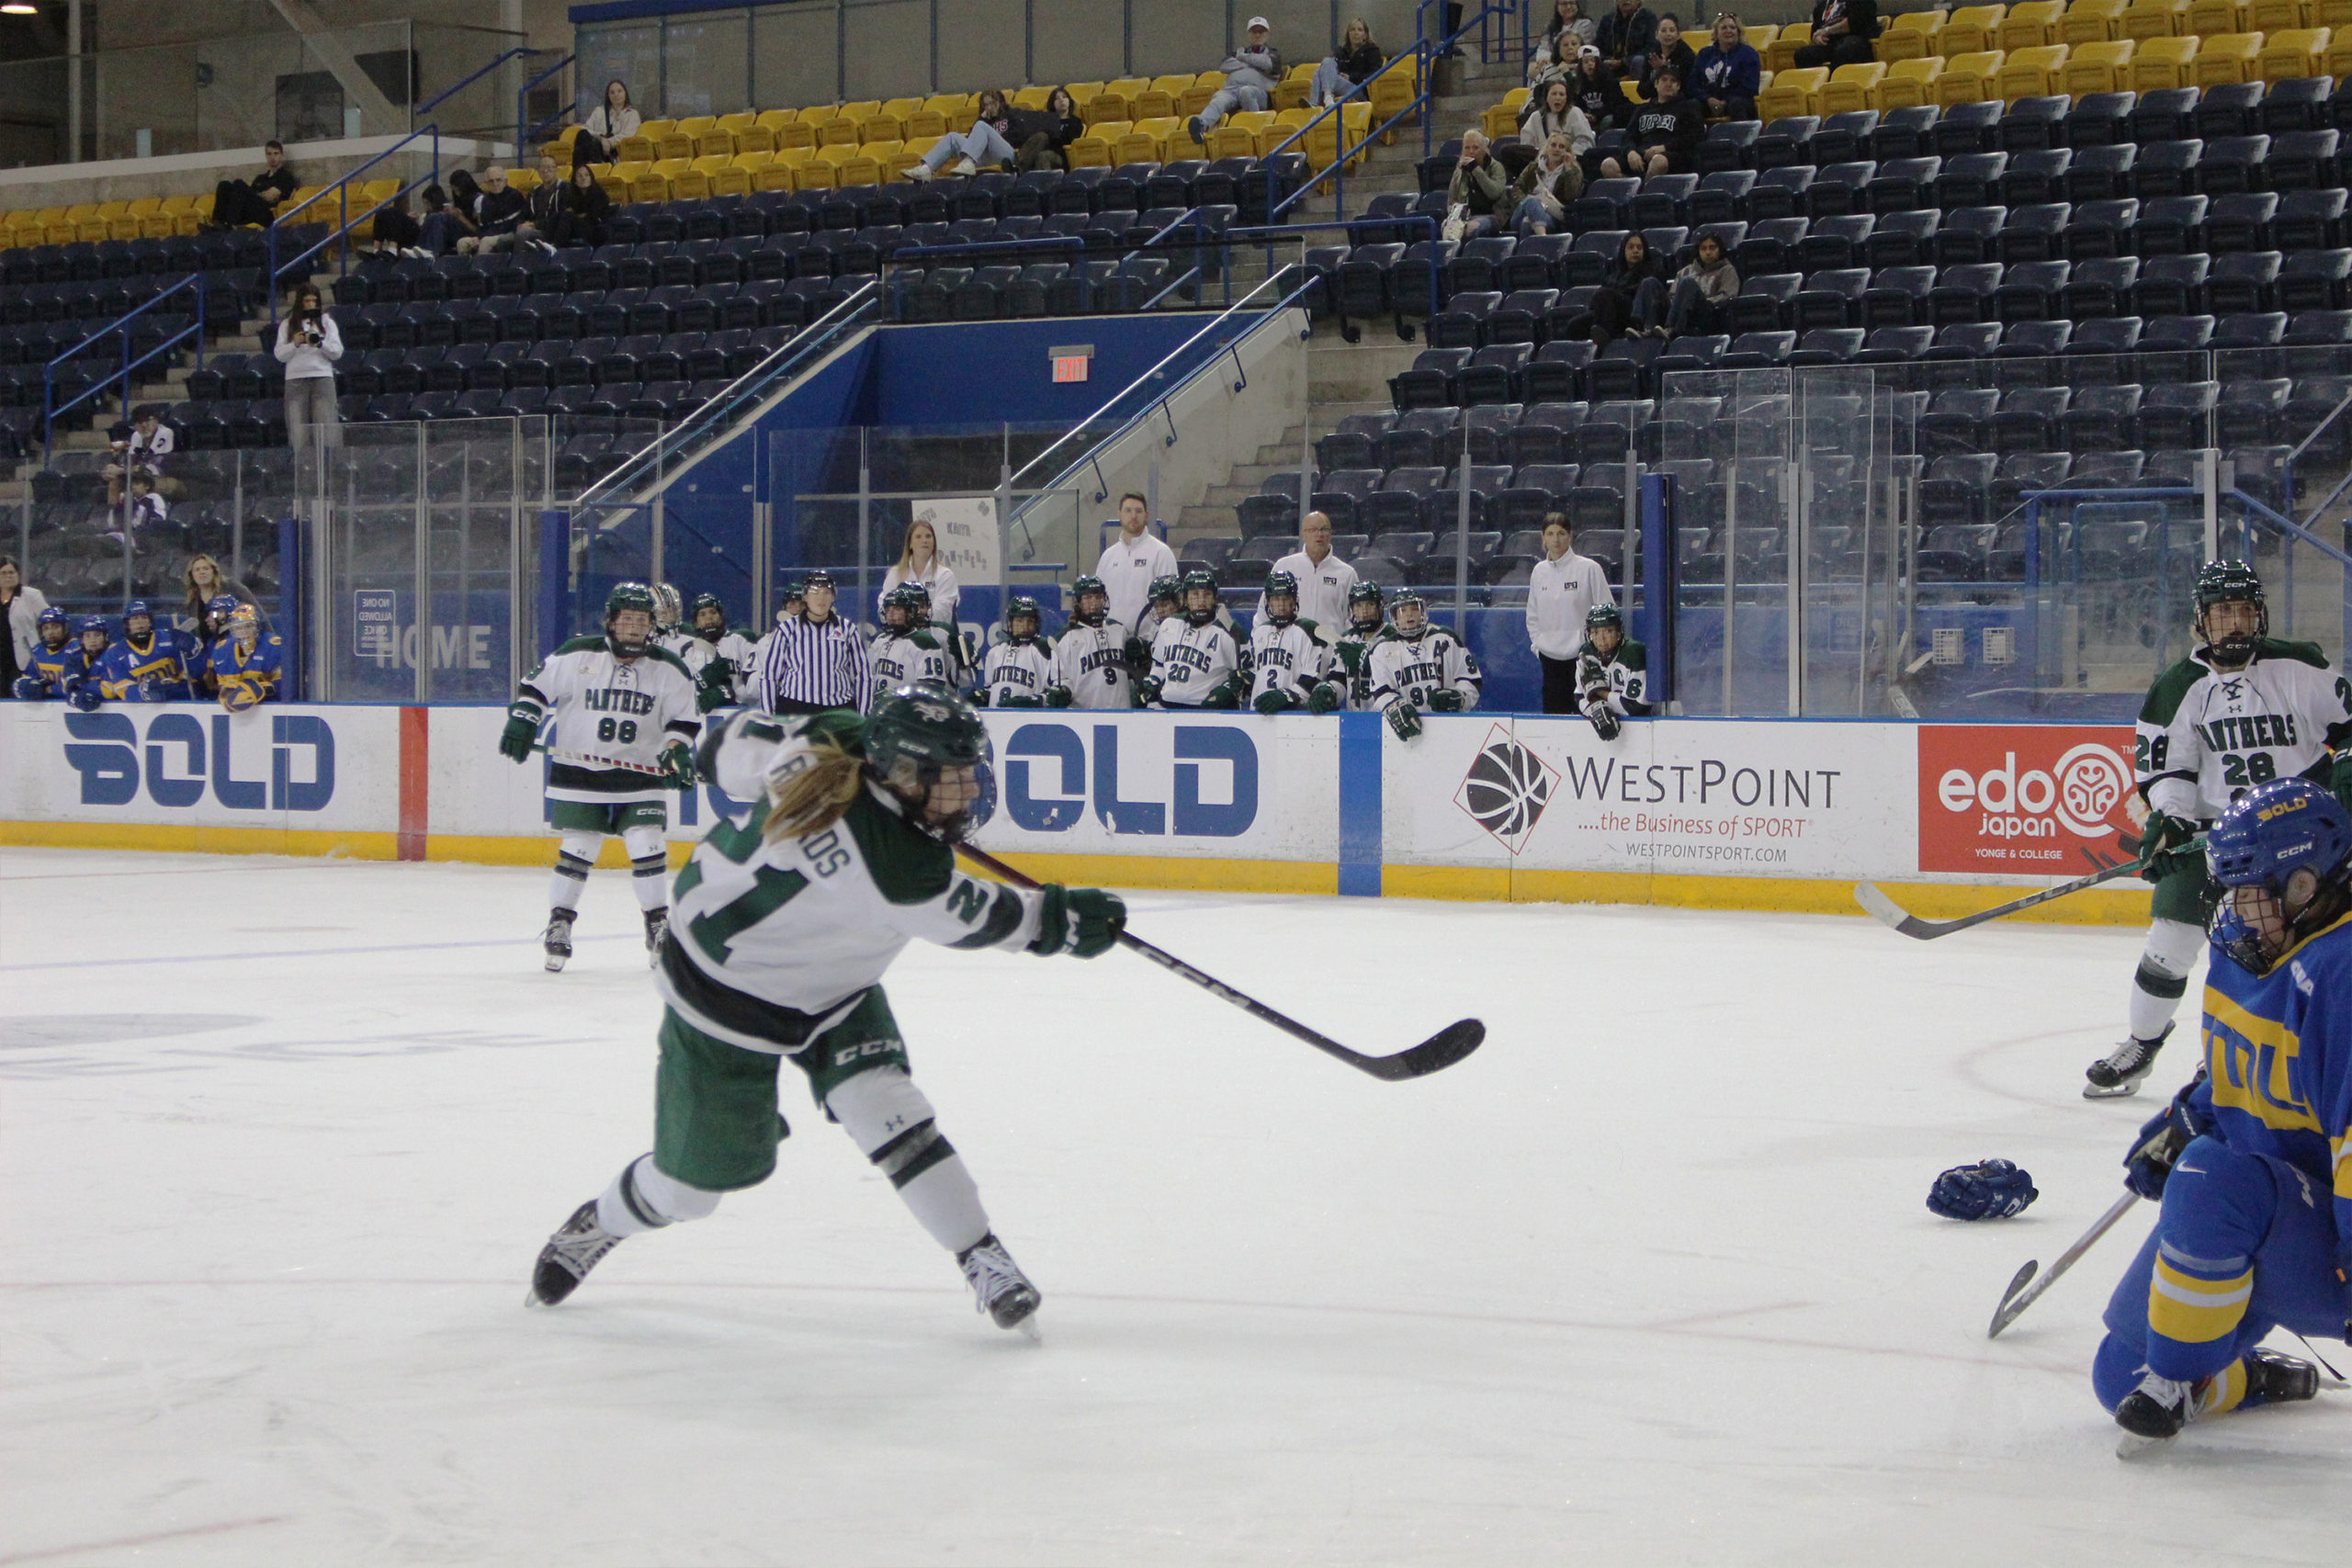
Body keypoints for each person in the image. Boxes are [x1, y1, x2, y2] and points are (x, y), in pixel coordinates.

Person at [522, 686, 1128, 1337]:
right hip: (722, 1004)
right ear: (901, 773)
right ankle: (600, 1221)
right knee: (688, 1192)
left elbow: (727, 746)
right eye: (950, 779)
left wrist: (712, 750)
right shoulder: (897, 873)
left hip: (832, 988)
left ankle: (981, 1253)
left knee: (889, 1108)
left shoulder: (833, 735)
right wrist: (1064, 921)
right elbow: (1001, 920)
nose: (968, 793)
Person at [2089, 776, 2351, 1450]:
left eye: (2249, 889)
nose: (2233, 908)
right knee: (2119, 1375)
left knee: (2211, 1176)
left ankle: (2176, 1383)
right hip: (2271, 1210)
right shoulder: (2254, 951)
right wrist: (2188, 1117)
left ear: (2304, 885)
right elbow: (2246, 1069)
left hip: (2327, 1237)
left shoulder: (2343, 973)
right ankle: (2253, 1378)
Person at [2086, 560, 2352, 1098]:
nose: (2234, 622)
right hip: (2222, 835)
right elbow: (2166, 770)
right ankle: (2142, 1044)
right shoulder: (2177, 687)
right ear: (2201, 621)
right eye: (2222, 611)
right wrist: (2171, 818)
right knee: (2171, 939)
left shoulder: (2298, 664)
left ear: (2260, 616)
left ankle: (2239, 1053)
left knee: (2280, 944)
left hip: (2300, 837)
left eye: (2244, 611)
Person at [497, 582, 701, 973]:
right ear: (610, 621)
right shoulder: (578, 654)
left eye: (641, 621)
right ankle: (560, 923)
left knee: (647, 842)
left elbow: (684, 720)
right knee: (579, 847)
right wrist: (524, 719)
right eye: (626, 620)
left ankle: (656, 924)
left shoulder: (669, 669)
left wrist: (675, 749)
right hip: (580, 773)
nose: (633, 628)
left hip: (639, 775)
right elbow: (534, 689)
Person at [1526, 513, 1615, 714]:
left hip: (1584, 658)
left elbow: (1607, 610)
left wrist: (1594, 650)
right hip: (1549, 660)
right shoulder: (1539, 572)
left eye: (1561, 533)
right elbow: (1532, 615)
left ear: (1570, 536)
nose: (1555, 539)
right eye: (1550, 534)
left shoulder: (1589, 569)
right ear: (1543, 537)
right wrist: (1539, 647)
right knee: (1555, 718)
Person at [755, 569, 873, 716]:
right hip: (795, 710)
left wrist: (863, 717)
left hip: (837, 711)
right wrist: (769, 718)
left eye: (826, 593)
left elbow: (863, 676)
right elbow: (769, 676)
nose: (821, 598)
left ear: (833, 597)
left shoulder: (847, 629)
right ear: (805, 596)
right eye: (815, 592)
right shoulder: (787, 630)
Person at [1368, 590, 1481, 740]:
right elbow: (1381, 692)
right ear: (1394, 616)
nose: (1409, 615)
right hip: (1408, 729)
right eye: (1403, 611)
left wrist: (1459, 697)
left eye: (1414, 609)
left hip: (1449, 727)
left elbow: (1472, 681)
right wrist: (1394, 707)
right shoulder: (1382, 649)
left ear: (1423, 612)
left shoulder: (1445, 638)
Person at [1143, 570, 1244, 710]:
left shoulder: (1229, 631)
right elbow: (1159, 664)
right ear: (1185, 599)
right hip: (1166, 708)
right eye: (1195, 596)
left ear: (1215, 598)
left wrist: (1228, 689)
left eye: (1207, 595)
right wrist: (1154, 679)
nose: (1201, 602)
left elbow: (1246, 673)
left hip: (1205, 711)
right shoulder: (1169, 625)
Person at [1247, 572, 1340, 715]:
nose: (1281, 605)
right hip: (1259, 712)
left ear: (1294, 600)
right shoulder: (1259, 631)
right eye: (1276, 599)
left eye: (1286, 598)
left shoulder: (1309, 630)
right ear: (1268, 602)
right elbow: (1254, 672)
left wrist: (1288, 695)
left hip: (1295, 714)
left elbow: (1314, 677)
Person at [275, 283, 344, 472]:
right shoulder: (288, 324)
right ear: (300, 302)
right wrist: (294, 344)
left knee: (326, 426)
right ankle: (303, 470)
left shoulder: (327, 322)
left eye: (314, 301)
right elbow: (279, 355)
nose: (311, 304)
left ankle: (328, 470)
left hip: (321, 376)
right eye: (306, 301)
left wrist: (320, 343)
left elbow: (337, 352)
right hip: (296, 379)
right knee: (298, 430)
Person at [1189, 17, 1285, 145]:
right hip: (1232, 91)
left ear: (1267, 35)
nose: (1257, 35)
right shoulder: (1238, 53)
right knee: (1219, 98)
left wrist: (1243, 58)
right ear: (1248, 35)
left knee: (1246, 92)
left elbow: (1267, 64)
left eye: (1261, 32)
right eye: (1254, 32)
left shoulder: (1273, 54)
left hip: (1259, 94)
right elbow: (1224, 66)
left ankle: (1254, 134)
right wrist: (1250, 62)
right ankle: (1201, 125)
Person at [1259, 511, 1361, 630]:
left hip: (1330, 647)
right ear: (1303, 534)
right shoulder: (1284, 566)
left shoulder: (1347, 574)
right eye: (1313, 530)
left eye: (1324, 529)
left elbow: (1354, 617)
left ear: (1331, 534)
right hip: (1291, 647)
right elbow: (1264, 609)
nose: (1319, 534)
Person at [1093, 492, 1180, 631]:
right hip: (1111, 642)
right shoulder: (1108, 556)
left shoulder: (1161, 553)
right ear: (1119, 514)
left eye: (1138, 511)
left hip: (1149, 642)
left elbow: (1171, 603)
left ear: (1147, 515)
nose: (1133, 516)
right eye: (1128, 510)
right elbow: (1097, 599)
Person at [1048, 575, 1136, 709]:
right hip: (1086, 715)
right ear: (1078, 603)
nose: (1094, 602)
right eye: (1088, 598)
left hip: (1122, 712)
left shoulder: (1120, 630)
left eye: (1098, 597)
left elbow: (1133, 672)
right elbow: (1062, 680)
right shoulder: (1066, 638)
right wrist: (1063, 691)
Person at [879, 518, 962, 656]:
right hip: (898, 642)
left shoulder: (945, 575)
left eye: (928, 536)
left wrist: (906, 618)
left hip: (935, 642)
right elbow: (884, 605)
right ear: (910, 543)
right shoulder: (894, 574)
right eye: (918, 536)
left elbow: (942, 613)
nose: (924, 540)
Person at [1606, 66, 1702, 177]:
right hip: (1642, 154)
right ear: (1656, 84)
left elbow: (1693, 136)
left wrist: (1665, 147)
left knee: (1658, 161)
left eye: (1673, 81)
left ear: (1679, 86)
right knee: (1608, 165)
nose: (1668, 84)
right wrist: (1630, 152)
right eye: (1664, 79)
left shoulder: (1688, 107)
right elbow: (1628, 136)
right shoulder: (1642, 109)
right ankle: (1634, 189)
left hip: (1673, 155)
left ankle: (1645, 191)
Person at [94, 599, 197, 702]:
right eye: (134, 618)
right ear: (127, 624)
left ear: (150, 622)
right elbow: (123, 689)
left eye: (144, 618)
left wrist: (191, 652)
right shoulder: (115, 653)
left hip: (180, 701)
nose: (140, 622)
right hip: (143, 710)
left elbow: (194, 674)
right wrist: (144, 692)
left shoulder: (169, 638)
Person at [1576, 604, 1650, 739]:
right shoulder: (1586, 654)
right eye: (1595, 632)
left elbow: (1636, 706)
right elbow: (1579, 696)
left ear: (1618, 632)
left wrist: (1598, 693)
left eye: (1608, 631)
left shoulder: (1634, 653)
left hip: (1642, 730)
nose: (1601, 639)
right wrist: (1595, 711)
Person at [910, 89, 1022, 179]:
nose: (989, 108)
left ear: (1000, 102)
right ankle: (926, 168)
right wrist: (982, 118)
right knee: (952, 136)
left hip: (1007, 154)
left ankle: (968, 163)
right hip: (985, 156)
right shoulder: (983, 120)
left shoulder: (1011, 114)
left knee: (981, 126)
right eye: (986, 105)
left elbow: (1018, 136)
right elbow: (971, 140)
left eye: (992, 103)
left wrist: (990, 136)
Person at [648, 581, 725, 711]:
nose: (670, 615)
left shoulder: (691, 639)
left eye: (672, 609)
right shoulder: (641, 643)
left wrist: (716, 691)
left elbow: (721, 684)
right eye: (664, 611)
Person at [870, 583, 954, 702]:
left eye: (897, 609)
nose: (891, 614)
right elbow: (867, 678)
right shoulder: (879, 641)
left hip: (907, 714)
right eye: (888, 610)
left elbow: (931, 689)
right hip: (881, 712)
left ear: (910, 612)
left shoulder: (923, 642)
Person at [1585, 231, 1669, 344]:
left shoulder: (1654, 270)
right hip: (1614, 312)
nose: (1636, 250)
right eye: (1631, 247)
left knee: (1605, 294)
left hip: (1636, 312)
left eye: (1639, 247)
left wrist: (1620, 293)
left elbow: (1651, 293)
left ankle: (1608, 338)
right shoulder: (1613, 276)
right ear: (1623, 251)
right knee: (1575, 325)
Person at [976, 596, 1057, 706]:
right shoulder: (995, 651)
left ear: (1036, 623)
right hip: (995, 719)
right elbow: (990, 688)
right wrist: (981, 695)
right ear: (1010, 622)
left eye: (1030, 621)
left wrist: (1034, 701)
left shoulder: (1044, 649)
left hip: (1030, 719)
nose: (1025, 627)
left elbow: (1056, 694)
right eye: (1019, 621)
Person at [1511, 130, 1589, 236]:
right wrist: (1527, 204)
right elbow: (1517, 188)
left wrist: (1568, 169)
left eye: (1561, 147)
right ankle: (1544, 239)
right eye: (1553, 145)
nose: (1557, 149)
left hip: (1552, 216)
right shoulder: (1534, 167)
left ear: (1567, 151)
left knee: (1527, 222)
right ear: (1547, 148)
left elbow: (1571, 196)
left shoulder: (1573, 170)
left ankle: (1528, 249)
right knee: (1532, 201)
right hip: (1523, 210)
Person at [690, 592, 759, 707]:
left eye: (713, 612)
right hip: (704, 716)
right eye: (702, 614)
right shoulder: (689, 650)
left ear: (721, 616)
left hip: (741, 711)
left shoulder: (738, 641)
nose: (709, 618)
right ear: (696, 622)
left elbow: (757, 683)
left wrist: (732, 693)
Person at [210, 604, 283, 710]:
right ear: (232, 630)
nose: (243, 631)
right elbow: (222, 688)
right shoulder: (222, 650)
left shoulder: (274, 646)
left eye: (248, 626)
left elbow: (282, 687)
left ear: (257, 626)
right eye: (238, 627)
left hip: (268, 708)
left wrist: (263, 689)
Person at [1442, 129, 1510, 243]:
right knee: (1446, 228)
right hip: (1465, 217)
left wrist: (1476, 170)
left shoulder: (1496, 167)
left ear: (1484, 149)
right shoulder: (1459, 171)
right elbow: (1451, 200)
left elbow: (1494, 193)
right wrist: (1455, 219)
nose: (1471, 151)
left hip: (1492, 215)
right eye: (1467, 148)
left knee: (1472, 228)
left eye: (1475, 148)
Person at [1667, 231, 1739, 334]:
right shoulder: (1684, 271)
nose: (1708, 252)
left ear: (1720, 250)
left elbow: (1728, 296)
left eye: (1712, 248)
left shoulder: (1727, 270)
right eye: (1703, 249)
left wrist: (1699, 301)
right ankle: (1646, 329)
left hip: (1710, 314)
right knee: (1650, 282)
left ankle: (1672, 330)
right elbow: (1672, 296)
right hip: (1681, 312)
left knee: (1688, 282)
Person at [1330, 581, 1389, 710]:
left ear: (1380, 607)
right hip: (1354, 718)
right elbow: (1338, 679)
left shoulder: (1393, 637)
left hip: (1387, 717)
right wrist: (1329, 691)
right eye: (1358, 605)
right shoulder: (1346, 639)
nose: (1364, 611)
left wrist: (1365, 659)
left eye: (1370, 604)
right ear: (1352, 610)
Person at [211, 140, 297, 229]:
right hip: (251, 211)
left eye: (276, 154)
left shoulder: (285, 176)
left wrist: (255, 194)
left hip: (266, 214)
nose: (273, 157)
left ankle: (230, 225)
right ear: (266, 156)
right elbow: (249, 196)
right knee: (224, 185)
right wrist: (257, 195)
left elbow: (271, 196)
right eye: (269, 154)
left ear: (281, 156)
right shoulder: (260, 178)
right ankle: (217, 223)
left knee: (238, 183)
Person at [1692, 13, 1762, 121]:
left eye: (1732, 28)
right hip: (1709, 102)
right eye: (1723, 28)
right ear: (1716, 33)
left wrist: (1725, 102)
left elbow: (1750, 87)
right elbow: (1693, 84)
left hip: (1739, 102)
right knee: (1691, 105)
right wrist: (1708, 99)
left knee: (1736, 104)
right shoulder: (1704, 54)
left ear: (1738, 32)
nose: (1728, 31)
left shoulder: (1749, 54)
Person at [1, 555, 51, 695]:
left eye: (12, 572)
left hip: (24, 659)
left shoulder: (31, 595)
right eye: (3, 573)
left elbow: (48, 622)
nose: (8, 576)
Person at [105, 405, 175, 505]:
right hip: (143, 475)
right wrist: (114, 469)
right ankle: (115, 515)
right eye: (139, 422)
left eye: (148, 420)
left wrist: (122, 470)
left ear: (156, 421)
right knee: (115, 480)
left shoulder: (165, 433)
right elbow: (131, 461)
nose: (144, 425)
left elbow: (153, 466)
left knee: (142, 485)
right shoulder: (136, 436)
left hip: (166, 476)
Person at [1312, 17, 1386, 108]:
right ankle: (1326, 98)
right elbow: (1331, 69)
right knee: (1325, 64)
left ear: (1365, 35)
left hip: (1360, 90)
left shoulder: (1372, 51)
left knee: (1319, 74)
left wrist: (1351, 77)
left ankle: (1315, 105)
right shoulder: (1341, 51)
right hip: (1339, 85)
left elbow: (1375, 74)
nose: (1356, 33)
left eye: (1360, 30)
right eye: (1352, 30)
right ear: (1348, 34)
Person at [572, 79, 640, 170]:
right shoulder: (599, 111)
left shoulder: (632, 114)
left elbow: (627, 135)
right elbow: (586, 128)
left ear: (625, 93)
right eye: (612, 92)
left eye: (619, 91)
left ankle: (580, 171)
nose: (616, 94)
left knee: (580, 150)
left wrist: (609, 142)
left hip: (615, 151)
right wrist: (601, 138)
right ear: (608, 96)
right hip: (595, 146)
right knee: (582, 134)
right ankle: (589, 168)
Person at [460, 166, 530, 254]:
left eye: (498, 180)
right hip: (491, 234)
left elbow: (509, 224)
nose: (495, 184)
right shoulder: (485, 200)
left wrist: (483, 238)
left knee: (486, 242)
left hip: (509, 233)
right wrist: (478, 238)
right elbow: (483, 225)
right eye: (491, 181)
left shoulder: (514, 196)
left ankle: (480, 267)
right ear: (486, 183)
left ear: (505, 181)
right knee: (462, 243)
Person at [1792, 0, 1879, 69]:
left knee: (1846, 48)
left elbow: (1854, 22)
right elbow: (1815, 31)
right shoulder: (1823, 6)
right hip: (1830, 44)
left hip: (1855, 39)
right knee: (1803, 54)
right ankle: (1816, 88)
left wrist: (1827, 30)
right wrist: (1817, 37)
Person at [1016, 87, 1086, 172]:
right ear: (1052, 103)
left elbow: (1071, 141)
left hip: (1061, 155)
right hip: (1041, 150)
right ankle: (1018, 167)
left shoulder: (1075, 121)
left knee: (1044, 155)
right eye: (1057, 98)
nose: (1061, 100)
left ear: (1069, 101)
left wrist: (1054, 135)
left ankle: (1019, 169)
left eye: (1064, 97)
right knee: (1040, 137)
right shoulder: (1047, 120)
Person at [1518, 76, 1595, 153]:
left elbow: (1585, 142)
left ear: (1566, 98)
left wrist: (1566, 153)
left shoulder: (1575, 113)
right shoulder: (1536, 117)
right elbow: (1526, 145)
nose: (1558, 98)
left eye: (1561, 94)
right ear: (1547, 97)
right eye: (1554, 94)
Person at [181, 555, 254, 635]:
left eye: (206, 568)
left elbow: (255, 612)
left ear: (214, 571)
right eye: (197, 570)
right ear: (191, 575)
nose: (202, 572)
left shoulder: (231, 587)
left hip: (232, 642)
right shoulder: (193, 600)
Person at [11, 605, 72, 700]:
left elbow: (78, 686)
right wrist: (27, 687)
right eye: (46, 628)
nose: (50, 632)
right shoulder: (38, 650)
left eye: (56, 627)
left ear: (65, 628)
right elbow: (27, 679)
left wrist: (48, 690)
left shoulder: (77, 650)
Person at [549, 163, 614, 250]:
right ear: (575, 180)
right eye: (579, 176)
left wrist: (575, 216)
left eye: (587, 175)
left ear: (591, 178)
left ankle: (555, 247)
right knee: (560, 216)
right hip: (578, 228)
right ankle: (546, 244)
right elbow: (567, 211)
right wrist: (578, 216)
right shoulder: (572, 196)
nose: (583, 178)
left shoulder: (599, 195)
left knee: (567, 216)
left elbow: (593, 217)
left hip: (595, 231)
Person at [1634, 13, 1697, 96]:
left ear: (1678, 35)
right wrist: (1657, 73)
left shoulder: (1688, 56)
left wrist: (1665, 69)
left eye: (1672, 30)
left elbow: (1687, 89)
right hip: (1657, 103)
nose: (1668, 34)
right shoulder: (1652, 56)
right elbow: (1642, 92)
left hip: (1681, 103)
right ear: (1656, 35)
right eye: (1663, 31)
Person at [1566, 45, 1626, 132]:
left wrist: (1596, 116)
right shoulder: (1577, 84)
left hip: (1608, 115)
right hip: (1588, 117)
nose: (1590, 64)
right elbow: (1576, 104)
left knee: (1607, 121)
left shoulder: (1609, 80)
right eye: (1586, 62)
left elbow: (1614, 104)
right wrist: (1583, 114)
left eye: (1593, 61)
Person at [1594, 0, 1659, 74]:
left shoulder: (1649, 18)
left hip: (1635, 65)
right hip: (1608, 65)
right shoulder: (1607, 20)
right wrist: (1606, 59)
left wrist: (1623, 62)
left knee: (1638, 60)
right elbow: (1598, 46)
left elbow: (1651, 47)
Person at [62, 615, 110, 710]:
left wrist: (79, 690)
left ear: (105, 637)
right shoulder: (74, 656)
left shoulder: (113, 654)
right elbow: (66, 688)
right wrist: (75, 698)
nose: (92, 640)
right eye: (87, 636)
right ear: (82, 639)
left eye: (97, 635)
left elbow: (109, 692)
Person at [517, 155, 565, 249]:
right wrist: (521, 224)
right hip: (536, 229)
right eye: (542, 168)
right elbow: (523, 214)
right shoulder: (533, 193)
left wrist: (534, 225)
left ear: (556, 170)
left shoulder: (564, 189)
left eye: (549, 167)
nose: (545, 171)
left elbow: (561, 216)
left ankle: (520, 262)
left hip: (553, 230)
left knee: (522, 235)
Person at [417, 184, 474, 255]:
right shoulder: (430, 215)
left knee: (437, 217)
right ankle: (420, 250)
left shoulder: (452, 207)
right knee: (432, 217)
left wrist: (456, 215)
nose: (427, 207)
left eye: (428, 203)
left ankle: (434, 252)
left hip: (455, 235)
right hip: (442, 234)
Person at [1134, 573, 1184, 649]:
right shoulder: (1156, 628)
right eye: (1156, 606)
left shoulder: (1189, 627)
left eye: (1164, 605)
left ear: (1179, 602)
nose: (1160, 611)